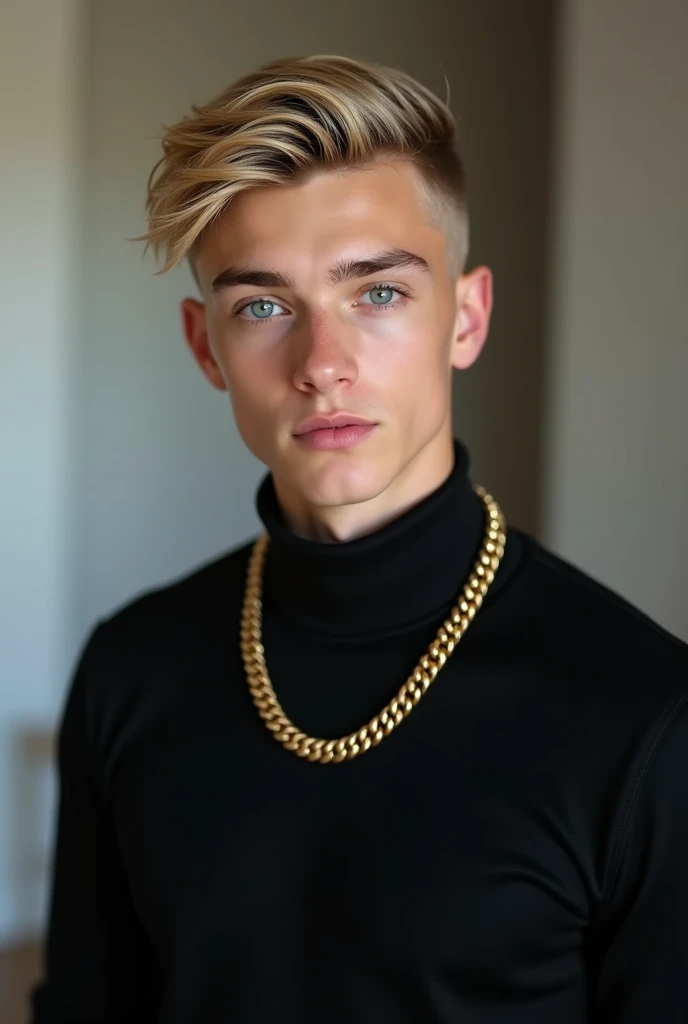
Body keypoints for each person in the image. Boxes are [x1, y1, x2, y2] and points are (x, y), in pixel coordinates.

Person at [31, 54, 688, 1023]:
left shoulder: (645, 715)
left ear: (463, 318)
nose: (321, 365)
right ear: (206, 346)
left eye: (376, 293)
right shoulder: (132, 669)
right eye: (262, 306)